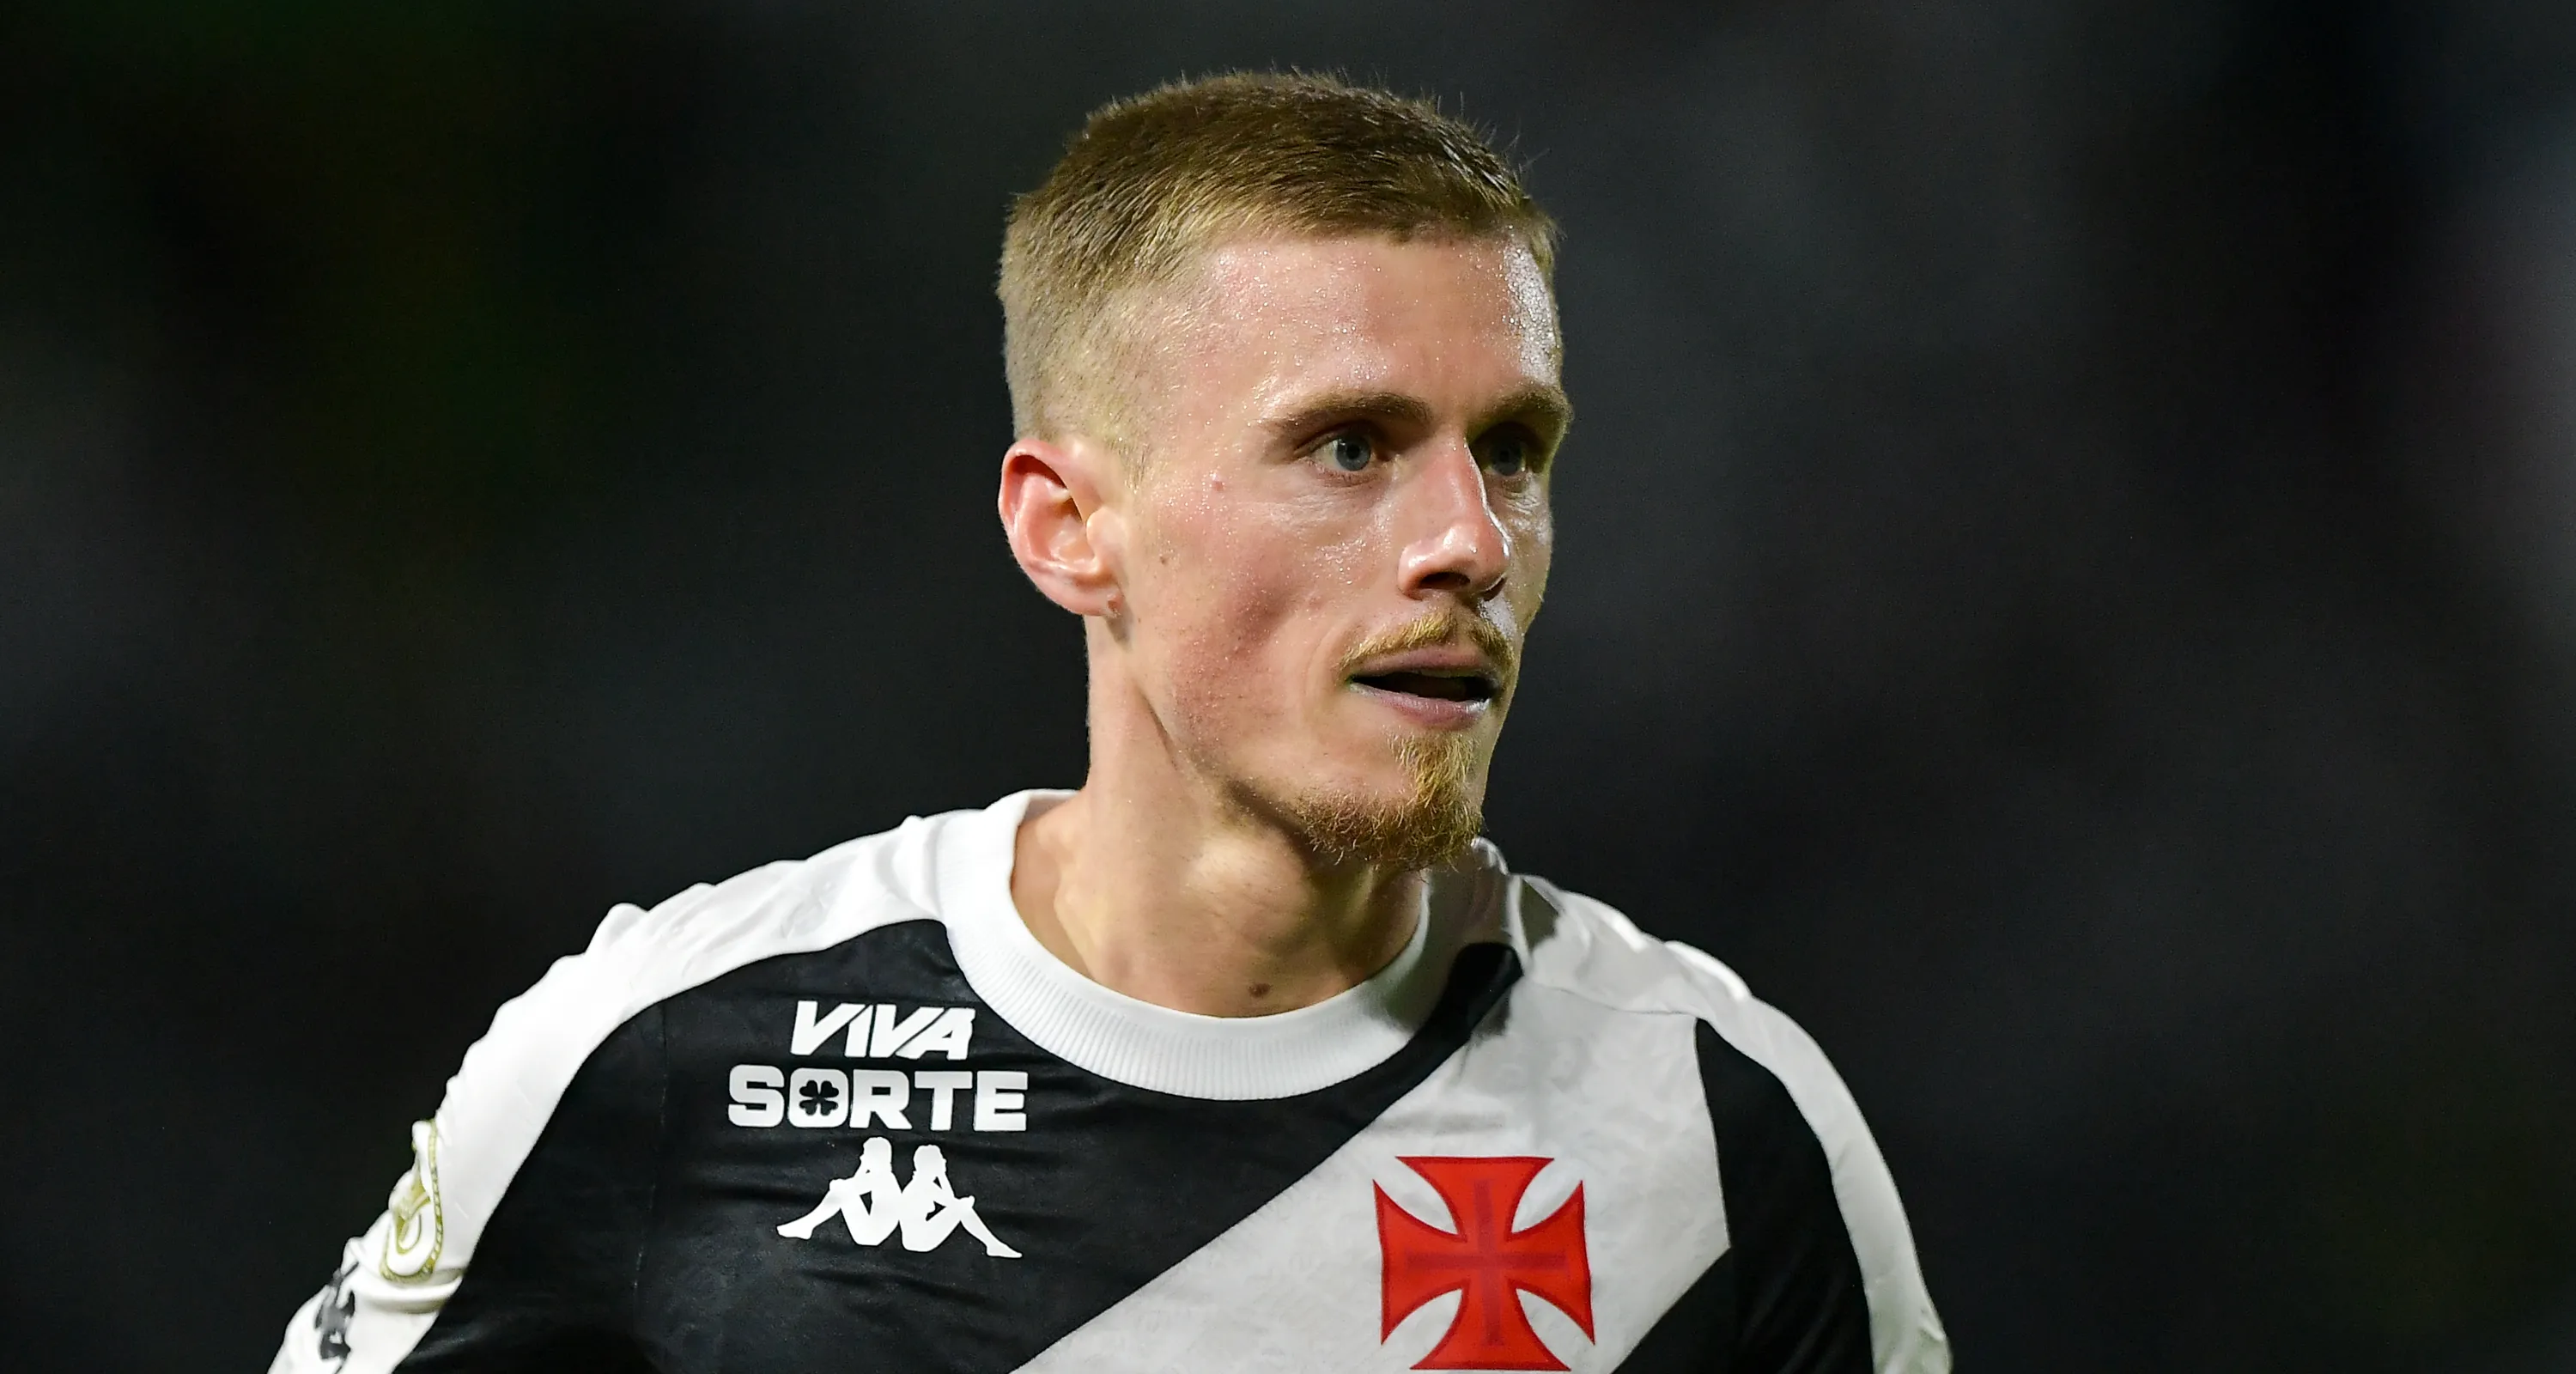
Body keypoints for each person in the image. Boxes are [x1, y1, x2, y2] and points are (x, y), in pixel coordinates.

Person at [270, 72, 1950, 1372]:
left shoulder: (1722, 1132)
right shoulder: (666, 1061)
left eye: (1509, 448)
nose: (1473, 540)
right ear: (1070, 527)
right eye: (1353, 447)